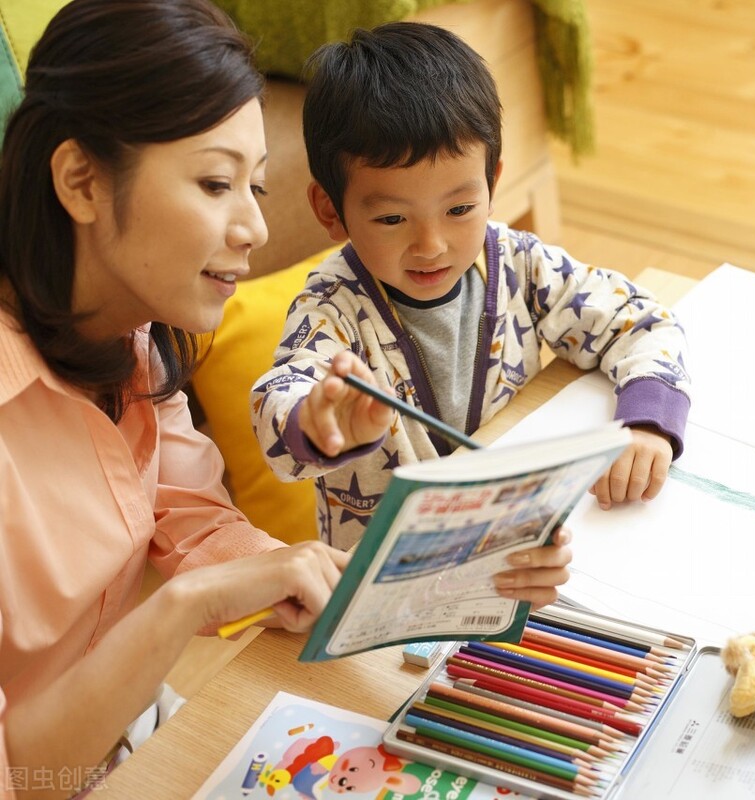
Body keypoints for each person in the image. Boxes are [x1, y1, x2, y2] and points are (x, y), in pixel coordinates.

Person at [0, 2, 570, 795]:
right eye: (214, 183)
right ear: (81, 180)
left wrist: (400, 584)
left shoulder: (131, 335)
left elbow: (188, 515)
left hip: (132, 737)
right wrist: (181, 609)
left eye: (256, 187)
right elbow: (20, 772)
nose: (253, 230)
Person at [250, 22, 692, 551]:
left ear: (492, 183)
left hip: (515, 550)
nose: (432, 244)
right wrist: (319, 420)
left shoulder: (519, 264)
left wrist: (646, 425)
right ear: (331, 210)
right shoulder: (330, 309)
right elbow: (279, 404)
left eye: (460, 209)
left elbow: (642, 321)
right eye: (392, 219)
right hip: (387, 581)